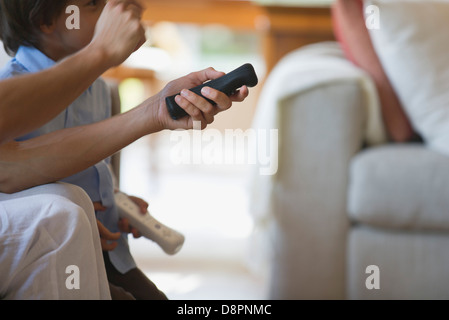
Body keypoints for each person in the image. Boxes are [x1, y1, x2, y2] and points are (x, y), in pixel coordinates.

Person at [0, 0, 249, 300]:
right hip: (62, 250)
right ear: (46, 22)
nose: (109, 13)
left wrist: (113, 199)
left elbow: (87, 164)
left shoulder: (98, 90)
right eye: (93, 4)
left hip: (109, 253)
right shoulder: (15, 88)